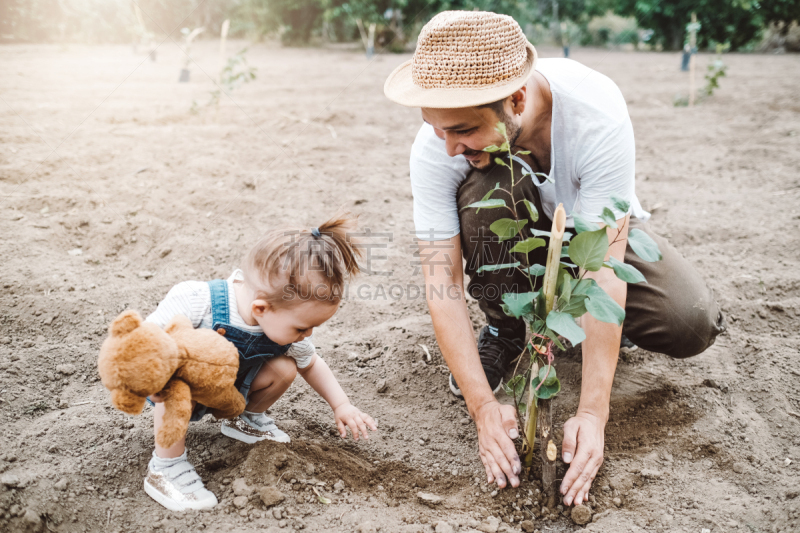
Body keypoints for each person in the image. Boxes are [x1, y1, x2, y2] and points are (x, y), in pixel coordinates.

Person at [384, 11, 725, 506]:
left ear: (516, 98)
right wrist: (483, 406)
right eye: (436, 129)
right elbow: (442, 283)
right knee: (486, 189)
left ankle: (591, 329)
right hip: (511, 233)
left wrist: (592, 414)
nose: (449, 147)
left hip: (589, 236)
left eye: (463, 130)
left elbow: (602, 269)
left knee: (689, 320)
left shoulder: (595, 111)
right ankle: (506, 327)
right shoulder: (440, 145)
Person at [142, 213, 377, 511]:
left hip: (229, 394)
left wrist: (341, 405)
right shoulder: (197, 301)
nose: (308, 334)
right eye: (302, 328)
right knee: (171, 380)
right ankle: (165, 467)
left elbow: (310, 364)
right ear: (260, 308)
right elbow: (146, 343)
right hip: (180, 393)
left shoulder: (285, 321)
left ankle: (243, 419)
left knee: (285, 367)